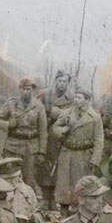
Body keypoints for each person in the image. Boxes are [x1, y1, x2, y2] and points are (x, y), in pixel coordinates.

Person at [53, 86, 104, 216]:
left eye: (79, 98)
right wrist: (61, 131)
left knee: (81, 183)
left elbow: (99, 139)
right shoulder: (67, 113)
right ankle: (64, 211)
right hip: (67, 153)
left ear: (87, 100)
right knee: (64, 183)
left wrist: (95, 159)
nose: (76, 100)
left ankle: (79, 213)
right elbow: (55, 127)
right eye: (75, 97)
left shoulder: (95, 117)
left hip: (83, 156)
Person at [0, 77, 48, 188]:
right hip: (12, 146)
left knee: (29, 180)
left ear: (33, 90)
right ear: (20, 89)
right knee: (9, 177)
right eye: (23, 89)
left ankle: (26, 204)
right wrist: (8, 125)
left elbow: (43, 130)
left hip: (30, 148)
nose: (26, 92)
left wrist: (42, 152)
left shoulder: (39, 106)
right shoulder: (12, 103)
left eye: (28, 89)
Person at [36, 70, 74, 210]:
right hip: (45, 134)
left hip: (60, 136)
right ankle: (45, 198)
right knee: (44, 167)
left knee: (58, 168)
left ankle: (54, 200)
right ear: (55, 80)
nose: (62, 84)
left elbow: (72, 116)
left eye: (64, 82)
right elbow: (36, 110)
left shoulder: (71, 97)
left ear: (68, 83)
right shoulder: (45, 93)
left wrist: (53, 111)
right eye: (59, 81)